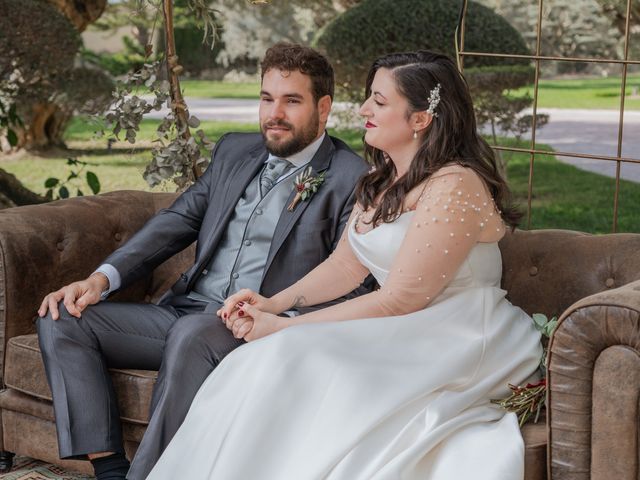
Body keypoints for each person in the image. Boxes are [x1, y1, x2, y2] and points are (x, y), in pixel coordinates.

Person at [147, 50, 543, 480]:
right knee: (265, 358)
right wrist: (271, 304)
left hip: (457, 332)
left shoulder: (455, 183)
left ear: (420, 119)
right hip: (400, 326)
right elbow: (345, 266)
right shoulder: (381, 178)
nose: (364, 109)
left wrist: (282, 328)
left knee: (290, 354)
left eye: (379, 100)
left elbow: (400, 300)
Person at [35, 42, 370, 480]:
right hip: (184, 313)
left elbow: (357, 280)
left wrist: (280, 315)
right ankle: (111, 469)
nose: (275, 114)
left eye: (292, 101)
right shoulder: (234, 151)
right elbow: (175, 222)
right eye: (267, 99)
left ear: (323, 108)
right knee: (63, 316)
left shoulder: (352, 177)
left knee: (194, 334)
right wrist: (100, 279)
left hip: (258, 330)